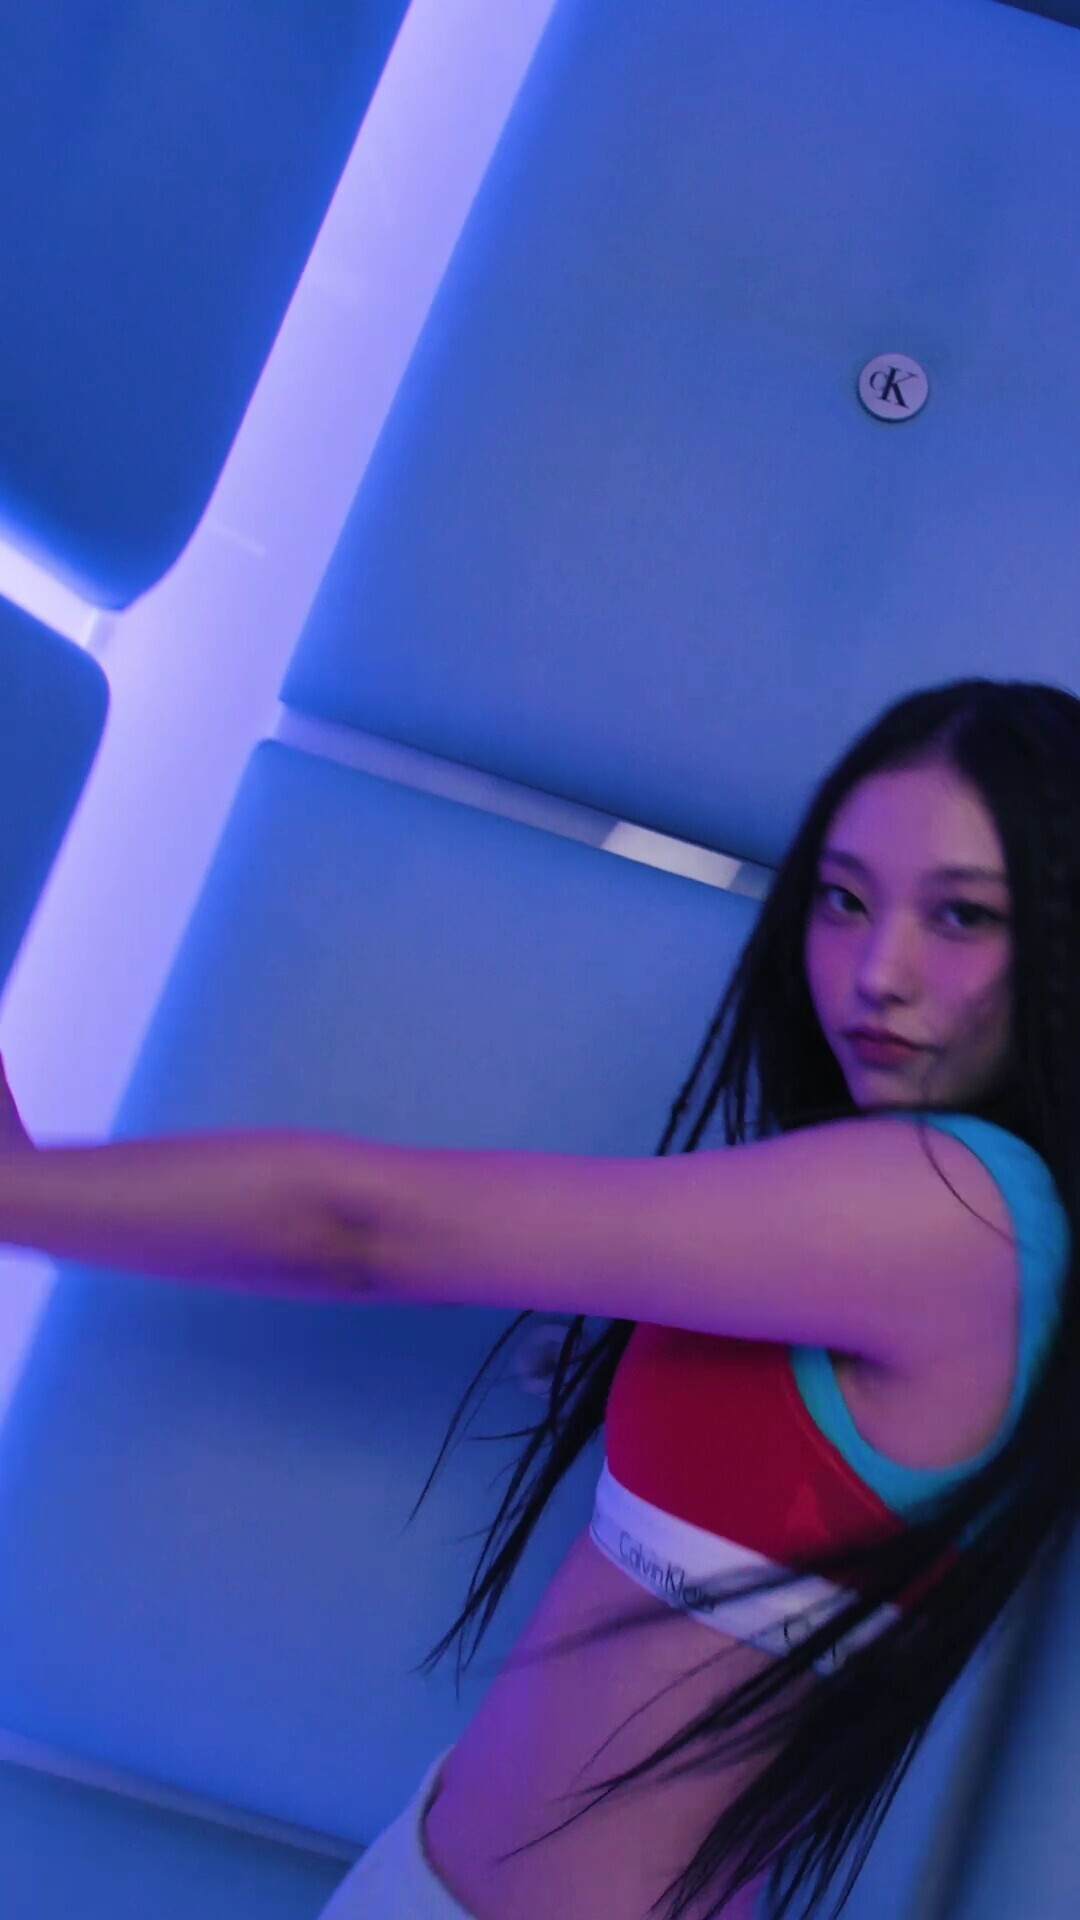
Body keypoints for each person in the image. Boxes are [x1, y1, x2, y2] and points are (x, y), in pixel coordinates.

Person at [0, 675, 1076, 1920]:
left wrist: (18, 1200)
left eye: (963, 917)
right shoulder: (920, 1220)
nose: (878, 971)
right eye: (843, 898)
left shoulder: (959, 1211)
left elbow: (364, 1230)